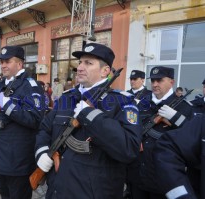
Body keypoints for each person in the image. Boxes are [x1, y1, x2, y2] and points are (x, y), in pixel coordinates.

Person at [35, 43, 142, 198]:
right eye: (80, 62)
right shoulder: (67, 97)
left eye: (88, 63)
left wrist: (90, 115)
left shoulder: (123, 102)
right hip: (57, 189)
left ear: (105, 71)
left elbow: (129, 149)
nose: (80, 67)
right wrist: (42, 152)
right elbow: (45, 129)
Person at [0, 46, 45, 199]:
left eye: (7, 61)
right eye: (1, 62)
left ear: (20, 64)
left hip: (18, 157)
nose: (3, 65)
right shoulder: (3, 83)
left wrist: (9, 106)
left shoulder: (30, 86)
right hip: (1, 155)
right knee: (5, 194)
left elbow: (35, 120)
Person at [127, 66, 193, 199]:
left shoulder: (184, 107)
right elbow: (129, 127)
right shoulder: (141, 104)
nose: (155, 84)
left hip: (163, 175)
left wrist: (176, 118)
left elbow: (191, 137)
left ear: (171, 82)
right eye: (153, 80)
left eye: (160, 80)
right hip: (137, 173)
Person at [153, 114, 204, 199]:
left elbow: (186, 123)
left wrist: (175, 116)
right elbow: (169, 148)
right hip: (148, 171)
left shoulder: (186, 105)